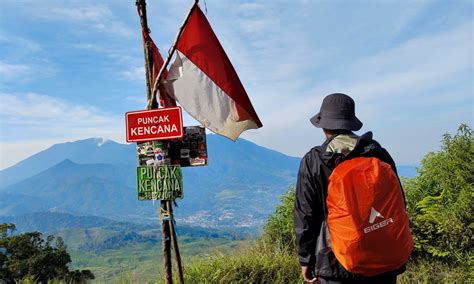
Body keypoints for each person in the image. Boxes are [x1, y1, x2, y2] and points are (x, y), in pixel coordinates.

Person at [293, 93, 406, 284]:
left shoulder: (315, 160)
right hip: (382, 260)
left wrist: (306, 259)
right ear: (351, 123)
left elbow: (306, 215)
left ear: (324, 126)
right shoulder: (379, 154)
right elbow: (399, 203)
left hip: (334, 262)